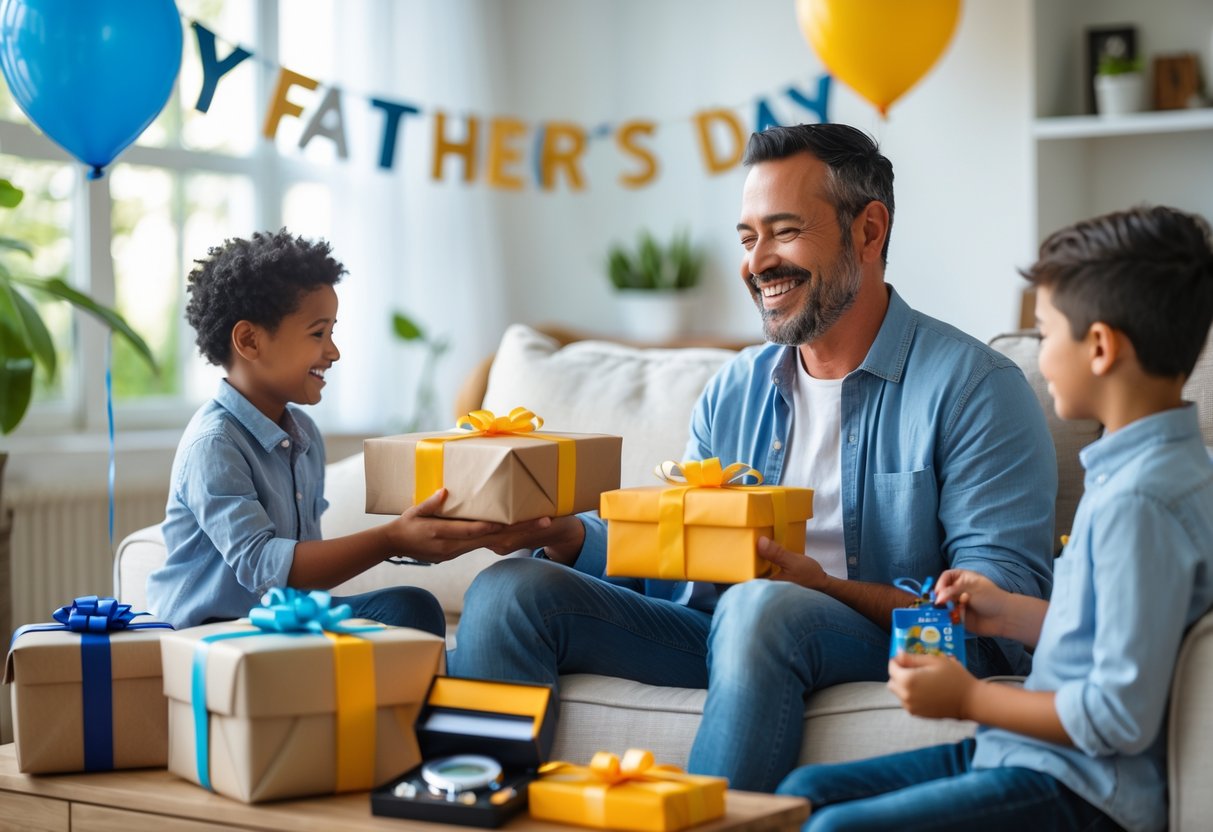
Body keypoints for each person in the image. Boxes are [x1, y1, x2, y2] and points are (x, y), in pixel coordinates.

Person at [449, 123, 1056, 791]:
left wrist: (820, 589)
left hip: (873, 640)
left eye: (784, 231)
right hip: (724, 631)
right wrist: (567, 538)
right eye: (747, 237)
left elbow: (1000, 615)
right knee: (510, 590)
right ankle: (480, 806)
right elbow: (675, 556)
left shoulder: (974, 388)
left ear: (868, 231)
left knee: (760, 606)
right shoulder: (735, 388)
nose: (756, 261)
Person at [776, 205, 1213, 832]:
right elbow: (1110, 631)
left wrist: (969, 698)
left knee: (829, 825)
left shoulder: (1140, 502)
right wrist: (1005, 611)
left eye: (1044, 332)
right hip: (1035, 757)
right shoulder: (1158, 468)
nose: (1038, 351)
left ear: (1099, 347)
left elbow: (1119, 715)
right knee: (803, 793)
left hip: (1083, 788)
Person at [147, 229, 545, 632]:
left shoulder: (302, 433)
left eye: (332, 332)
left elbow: (306, 573)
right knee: (409, 613)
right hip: (212, 630)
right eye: (318, 333)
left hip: (283, 618)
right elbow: (264, 568)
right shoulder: (215, 443)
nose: (333, 351)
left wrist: (438, 534)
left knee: (410, 608)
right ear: (250, 341)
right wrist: (391, 538)